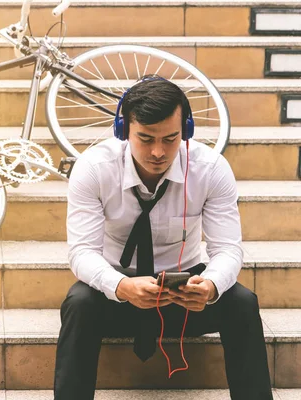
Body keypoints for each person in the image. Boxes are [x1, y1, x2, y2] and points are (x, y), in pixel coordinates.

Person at [53, 76, 273, 400]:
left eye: (171, 139)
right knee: (79, 303)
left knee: (242, 303)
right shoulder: (94, 168)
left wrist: (210, 286)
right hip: (120, 292)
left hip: (185, 293)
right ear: (122, 129)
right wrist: (121, 287)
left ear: (185, 130)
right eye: (145, 138)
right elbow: (82, 251)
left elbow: (227, 248)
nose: (158, 152)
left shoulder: (210, 169)